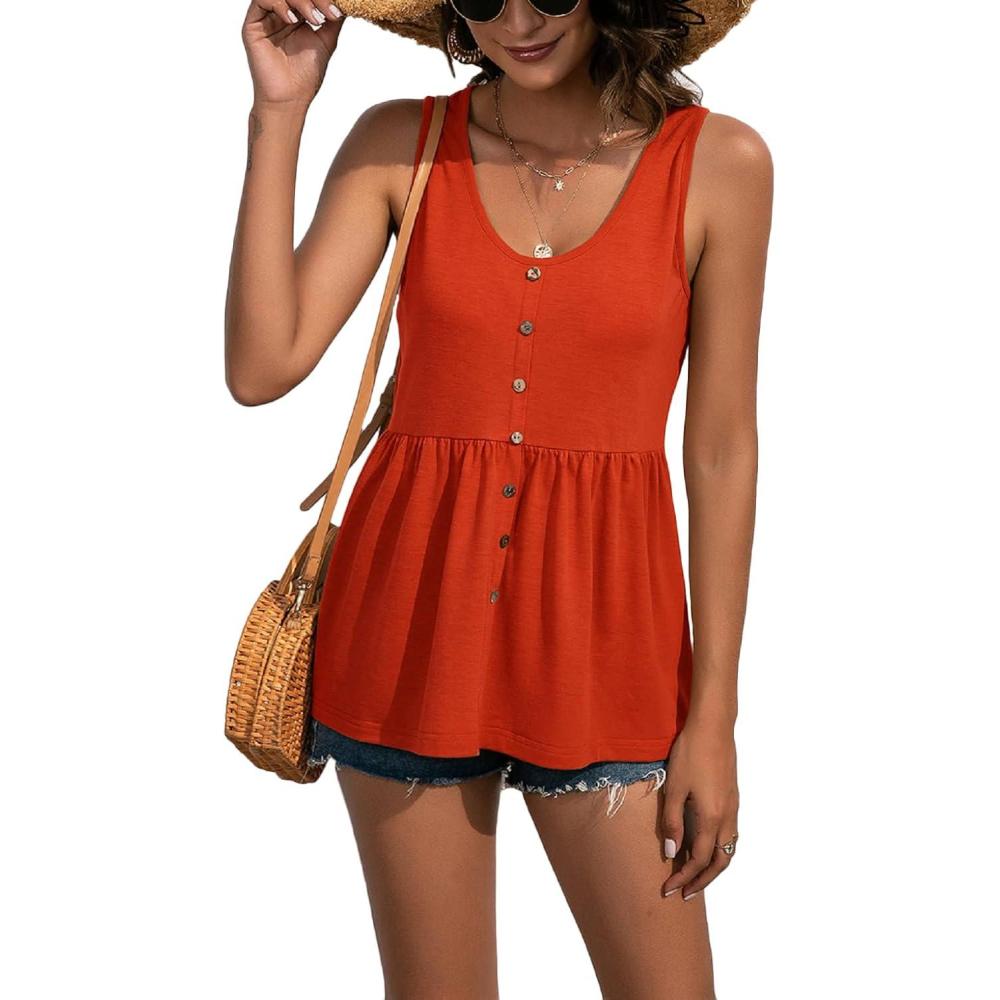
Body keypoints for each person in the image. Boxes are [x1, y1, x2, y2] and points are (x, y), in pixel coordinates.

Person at [225, 0, 771, 995]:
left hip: (609, 644)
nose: (515, 20)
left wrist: (715, 717)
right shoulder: (401, 144)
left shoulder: (720, 164)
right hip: (408, 630)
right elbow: (262, 366)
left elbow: (722, 449)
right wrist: (281, 113)